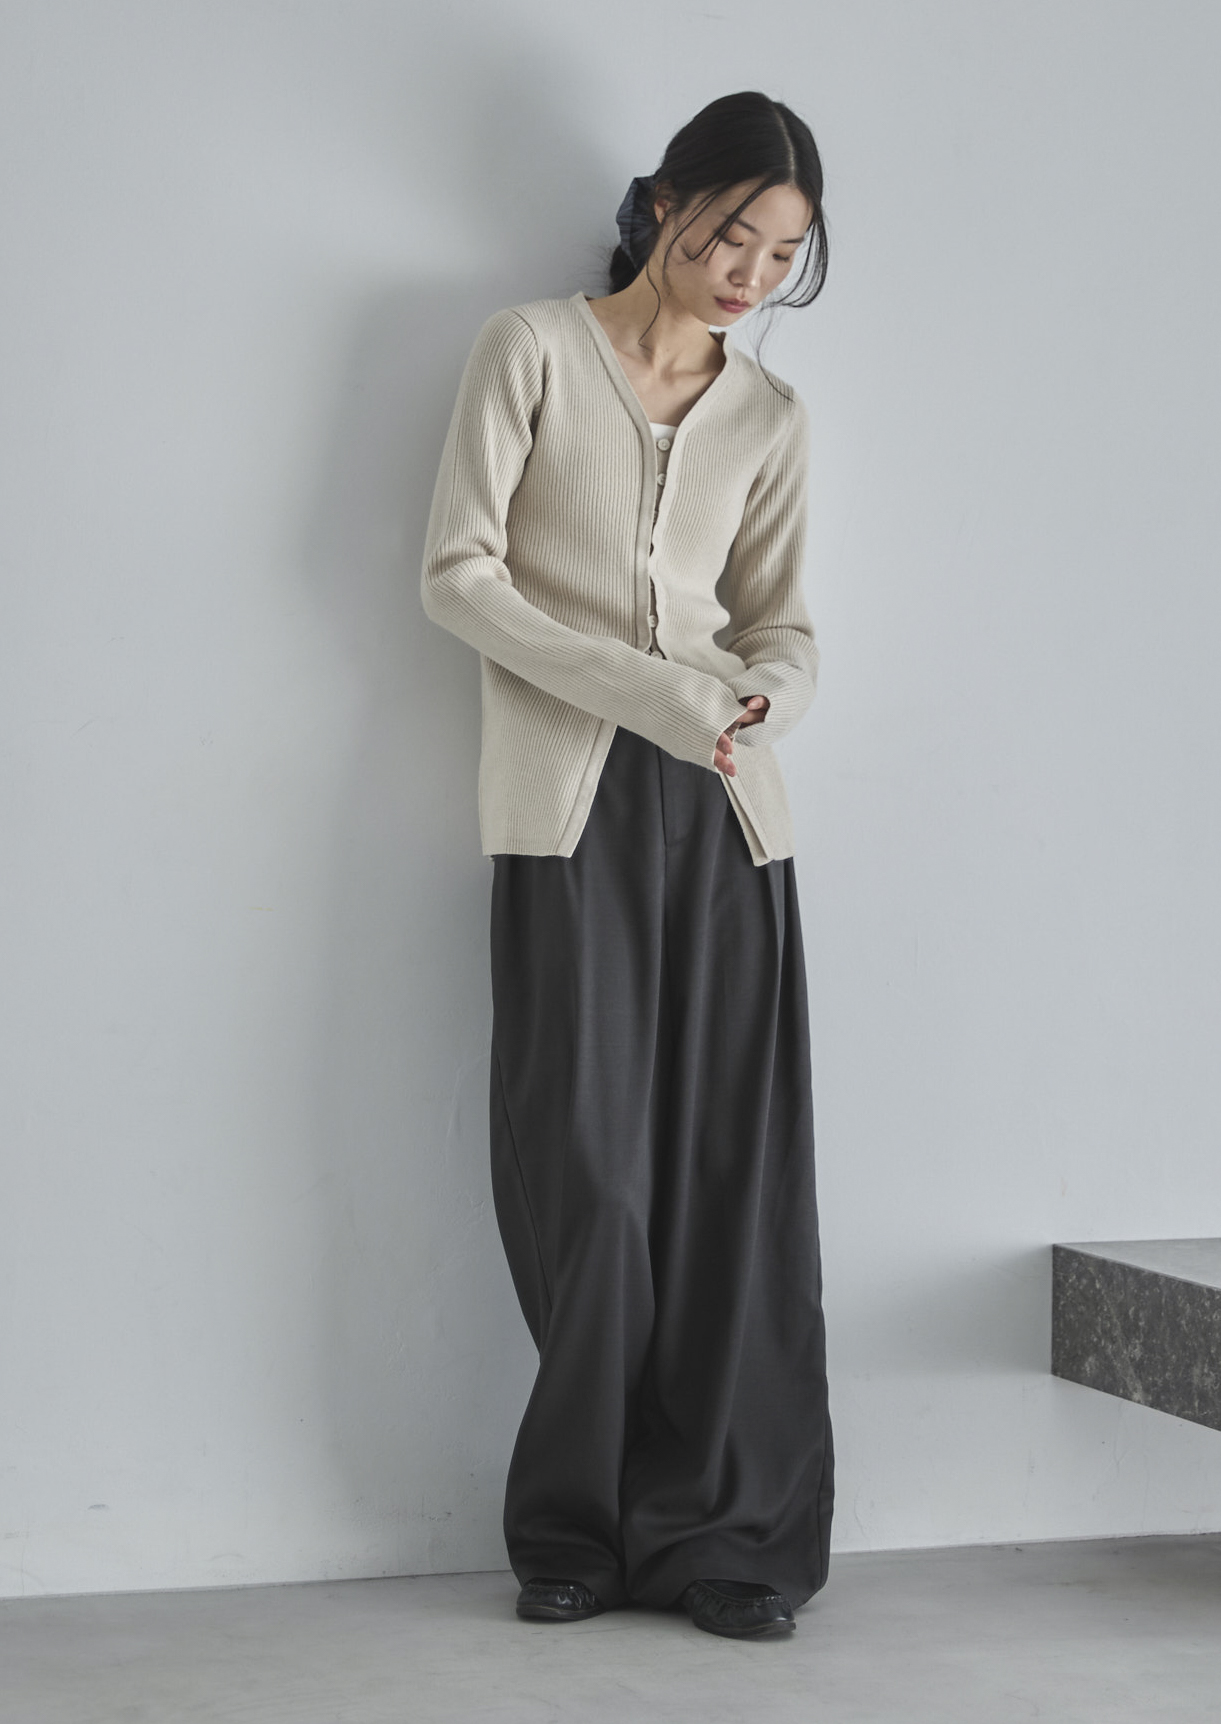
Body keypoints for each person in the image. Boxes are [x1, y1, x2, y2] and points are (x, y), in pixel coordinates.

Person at [419, 89, 833, 1641]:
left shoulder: (771, 419)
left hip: (729, 815)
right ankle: (575, 1528)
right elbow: (456, 575)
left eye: (781, 256)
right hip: (564, 807)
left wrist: (763, 695)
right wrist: (650, 691)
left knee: (728, 1186)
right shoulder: (527, 351)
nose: (748, 276)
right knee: (587, 1176)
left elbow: (782, 622)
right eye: (731, 237)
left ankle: (722, 1536)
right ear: (663, 203)